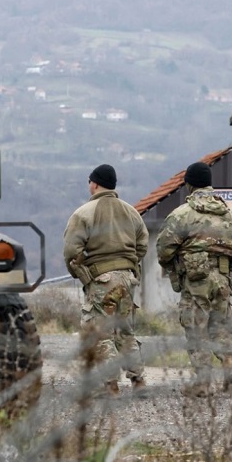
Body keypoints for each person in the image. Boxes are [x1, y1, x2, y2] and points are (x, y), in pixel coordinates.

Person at [157, 162, 232, 397]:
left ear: (188, 185)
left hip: (196, 280)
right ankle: (230, 378)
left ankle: (203, 384)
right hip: (223, 280)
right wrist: (230, 274)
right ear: (210, 185)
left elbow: (164, 250)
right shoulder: (231, 216)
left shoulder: (182, 215)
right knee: (220, 328)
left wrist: (178, 264)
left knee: (196, 331)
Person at [63, 164, 149, 396]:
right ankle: (138, 381)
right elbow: (142, 244)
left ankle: (110, 384)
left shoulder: (84, 213)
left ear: (94, 183)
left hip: (102, 280)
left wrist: (83, 275)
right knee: (125, 330)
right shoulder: (131, 212)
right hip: (127, 279)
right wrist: (129, 265)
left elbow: (72, 250)